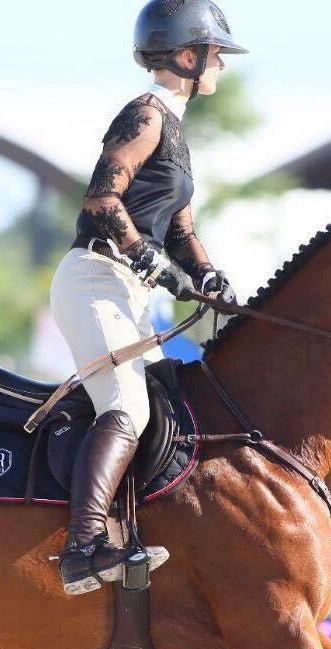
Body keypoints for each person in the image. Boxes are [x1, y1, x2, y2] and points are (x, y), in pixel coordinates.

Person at [50, 0, 248, 595]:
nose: (221, 66)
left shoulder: (178, 130)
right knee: (128, 407)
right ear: (188, 56)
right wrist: (144, 254)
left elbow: (182, 230)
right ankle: (82, 546)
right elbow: (101, 201)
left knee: (169, 403)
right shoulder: (145, 113)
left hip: (127, 291)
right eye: (215, 55)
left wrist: (209, 275)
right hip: (95, 280)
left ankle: (141, 527)